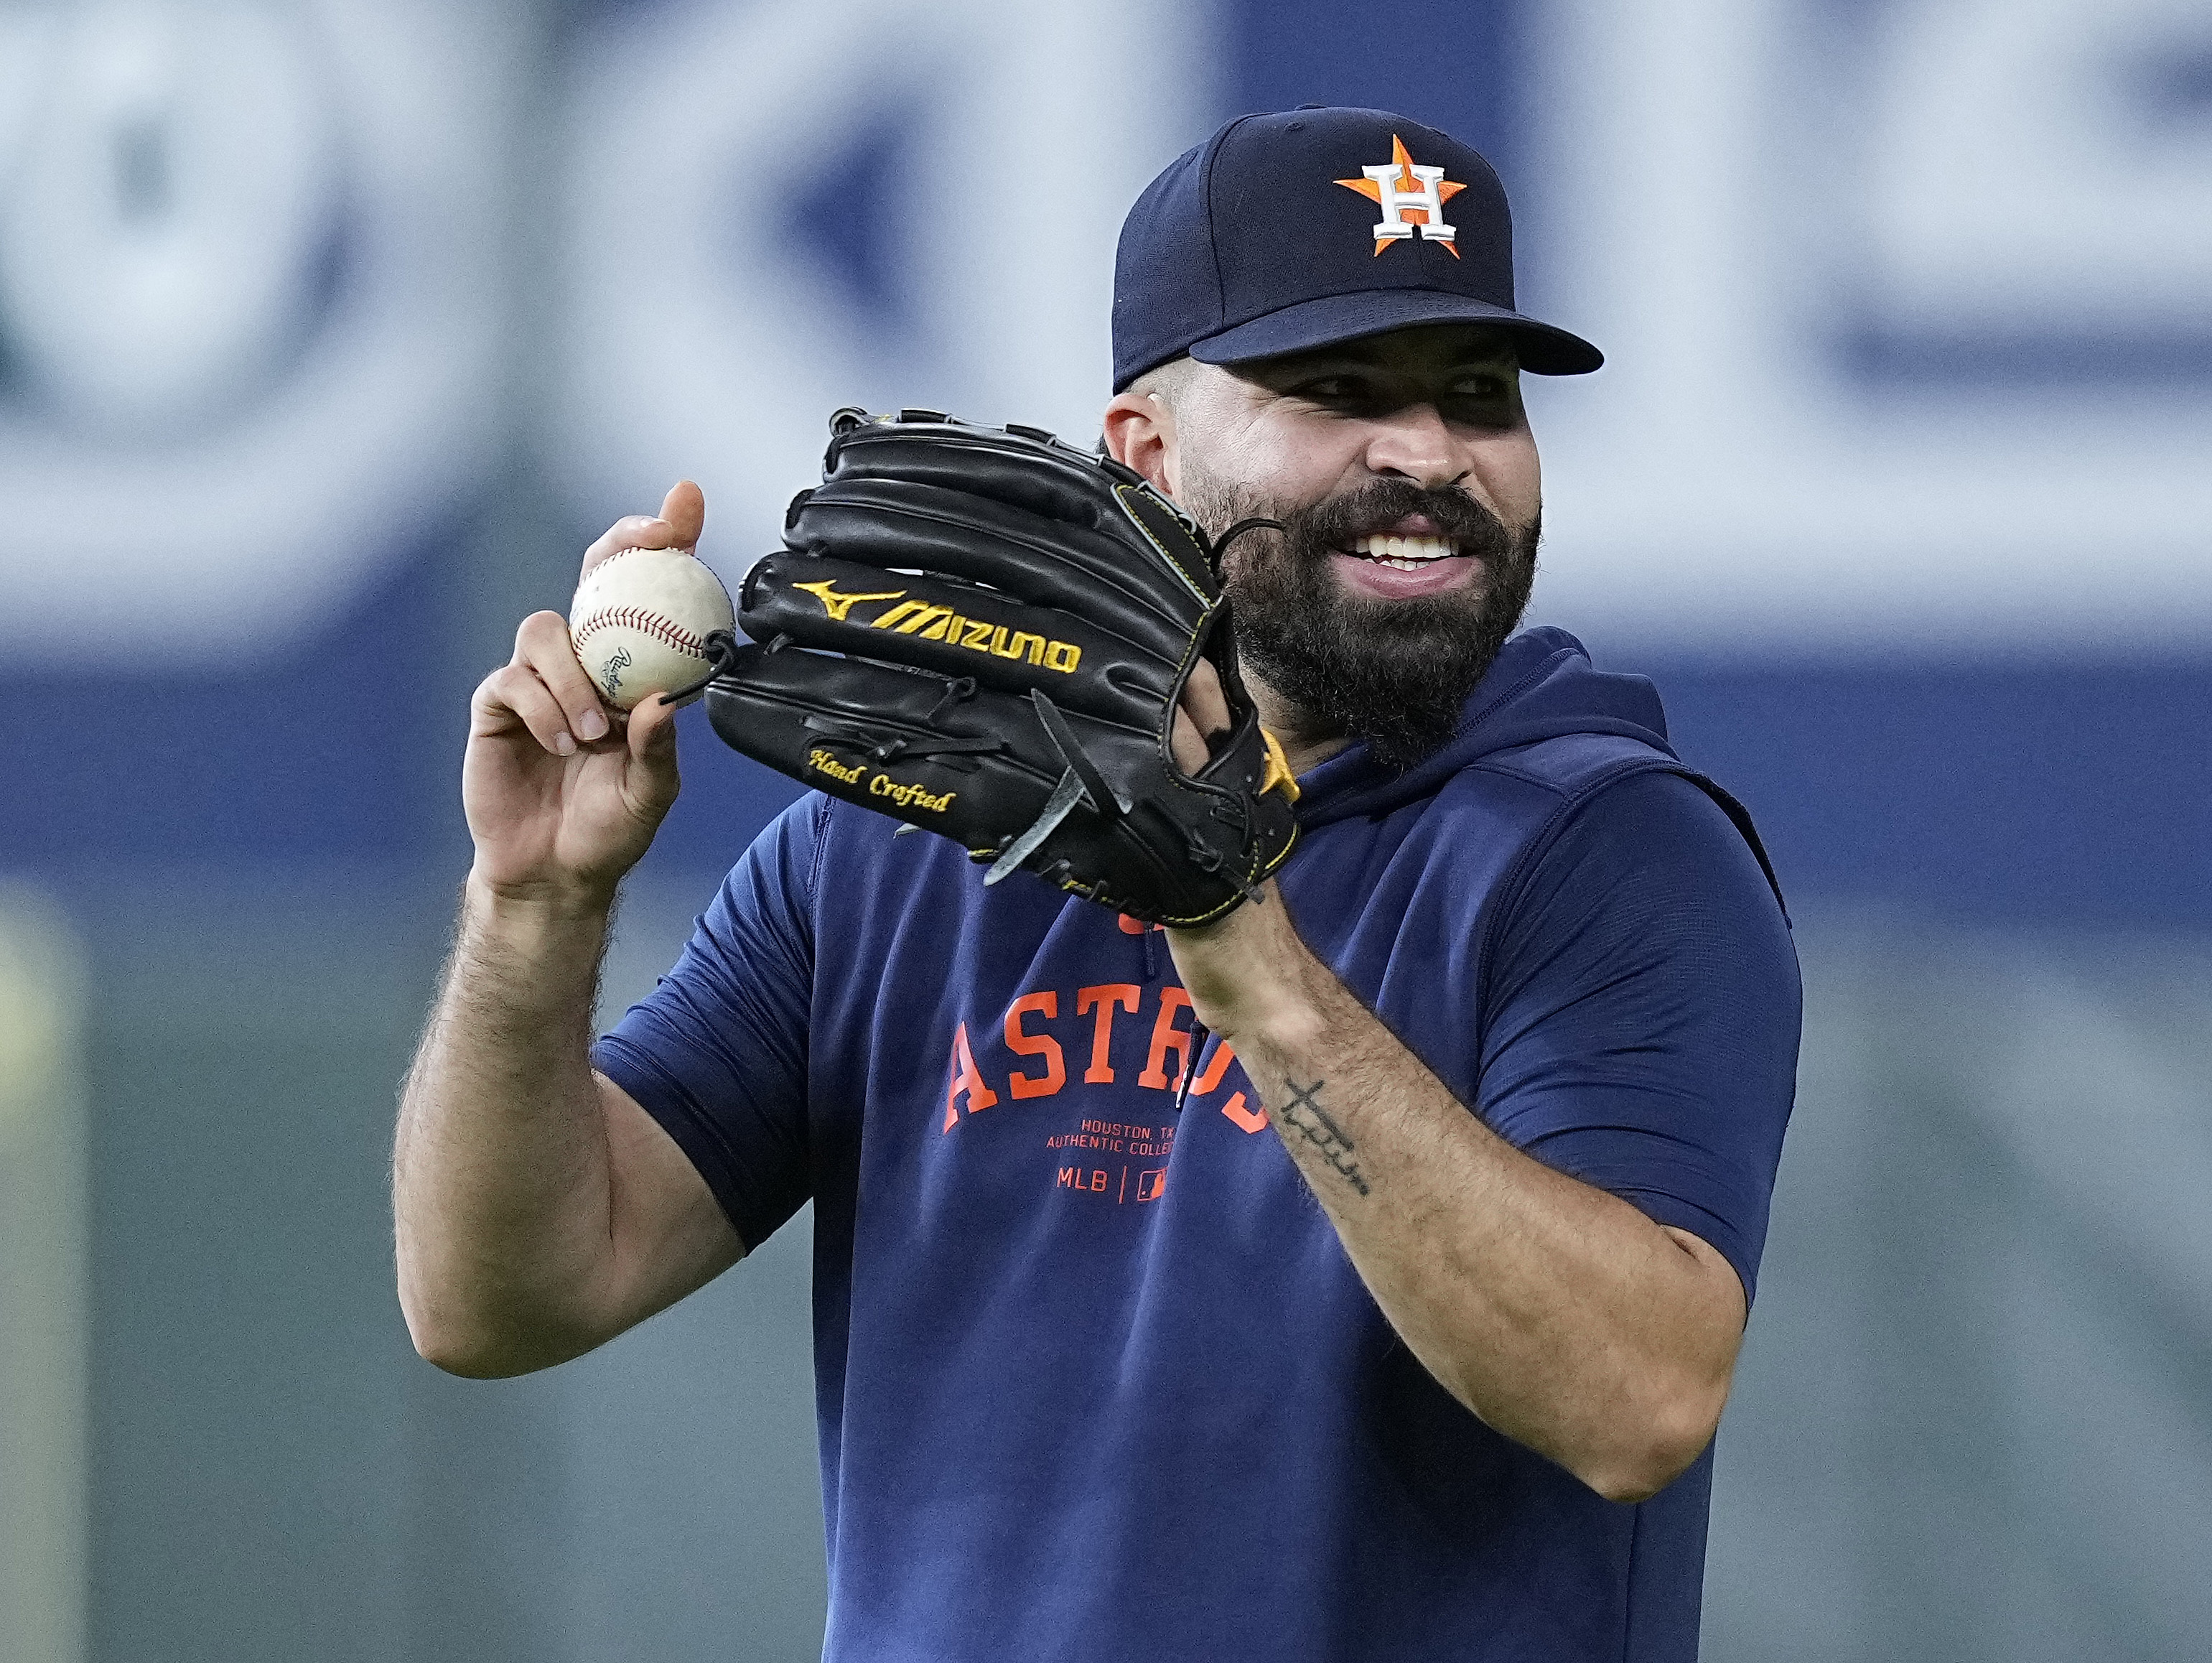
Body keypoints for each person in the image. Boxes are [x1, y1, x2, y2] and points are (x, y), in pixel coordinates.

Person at [395, 107, 1800, 1662]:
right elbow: (500, 1297)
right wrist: (534, 917)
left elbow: (1636, 1401)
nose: (1427, 455)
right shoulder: (900, 834)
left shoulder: (1599, 848)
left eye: (1478, 397)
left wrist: (1245, 958)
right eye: (1337, 391)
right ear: (1143, 448)